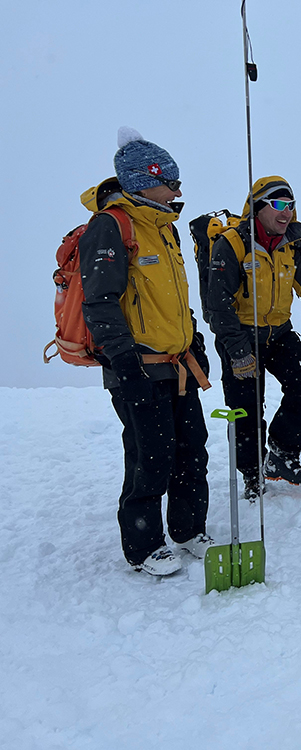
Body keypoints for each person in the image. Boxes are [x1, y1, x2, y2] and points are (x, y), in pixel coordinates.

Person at [79, 127, 213, 576]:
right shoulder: (111, 225)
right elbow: (99, 301)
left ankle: (189, 529)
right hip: (138, 367)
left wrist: (193, 339)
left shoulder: (166, 230)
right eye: (171, 182)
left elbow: (174, 296)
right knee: (149, 456)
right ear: (142, 181)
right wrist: (125, 365)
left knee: (192, 450)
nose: (178, 190)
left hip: (178, 366)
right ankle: (143, 546)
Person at [206, 175, 301, 499]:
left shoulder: (292, 245)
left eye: (291, 205)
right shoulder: (233, 244)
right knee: (246, 408)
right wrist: (239, 352)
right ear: (259, 208)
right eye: (279, 205)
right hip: (241, 334)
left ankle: (281, 454)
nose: (287, 213)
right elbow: (218, 306)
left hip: (279, 332)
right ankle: (253, 474)